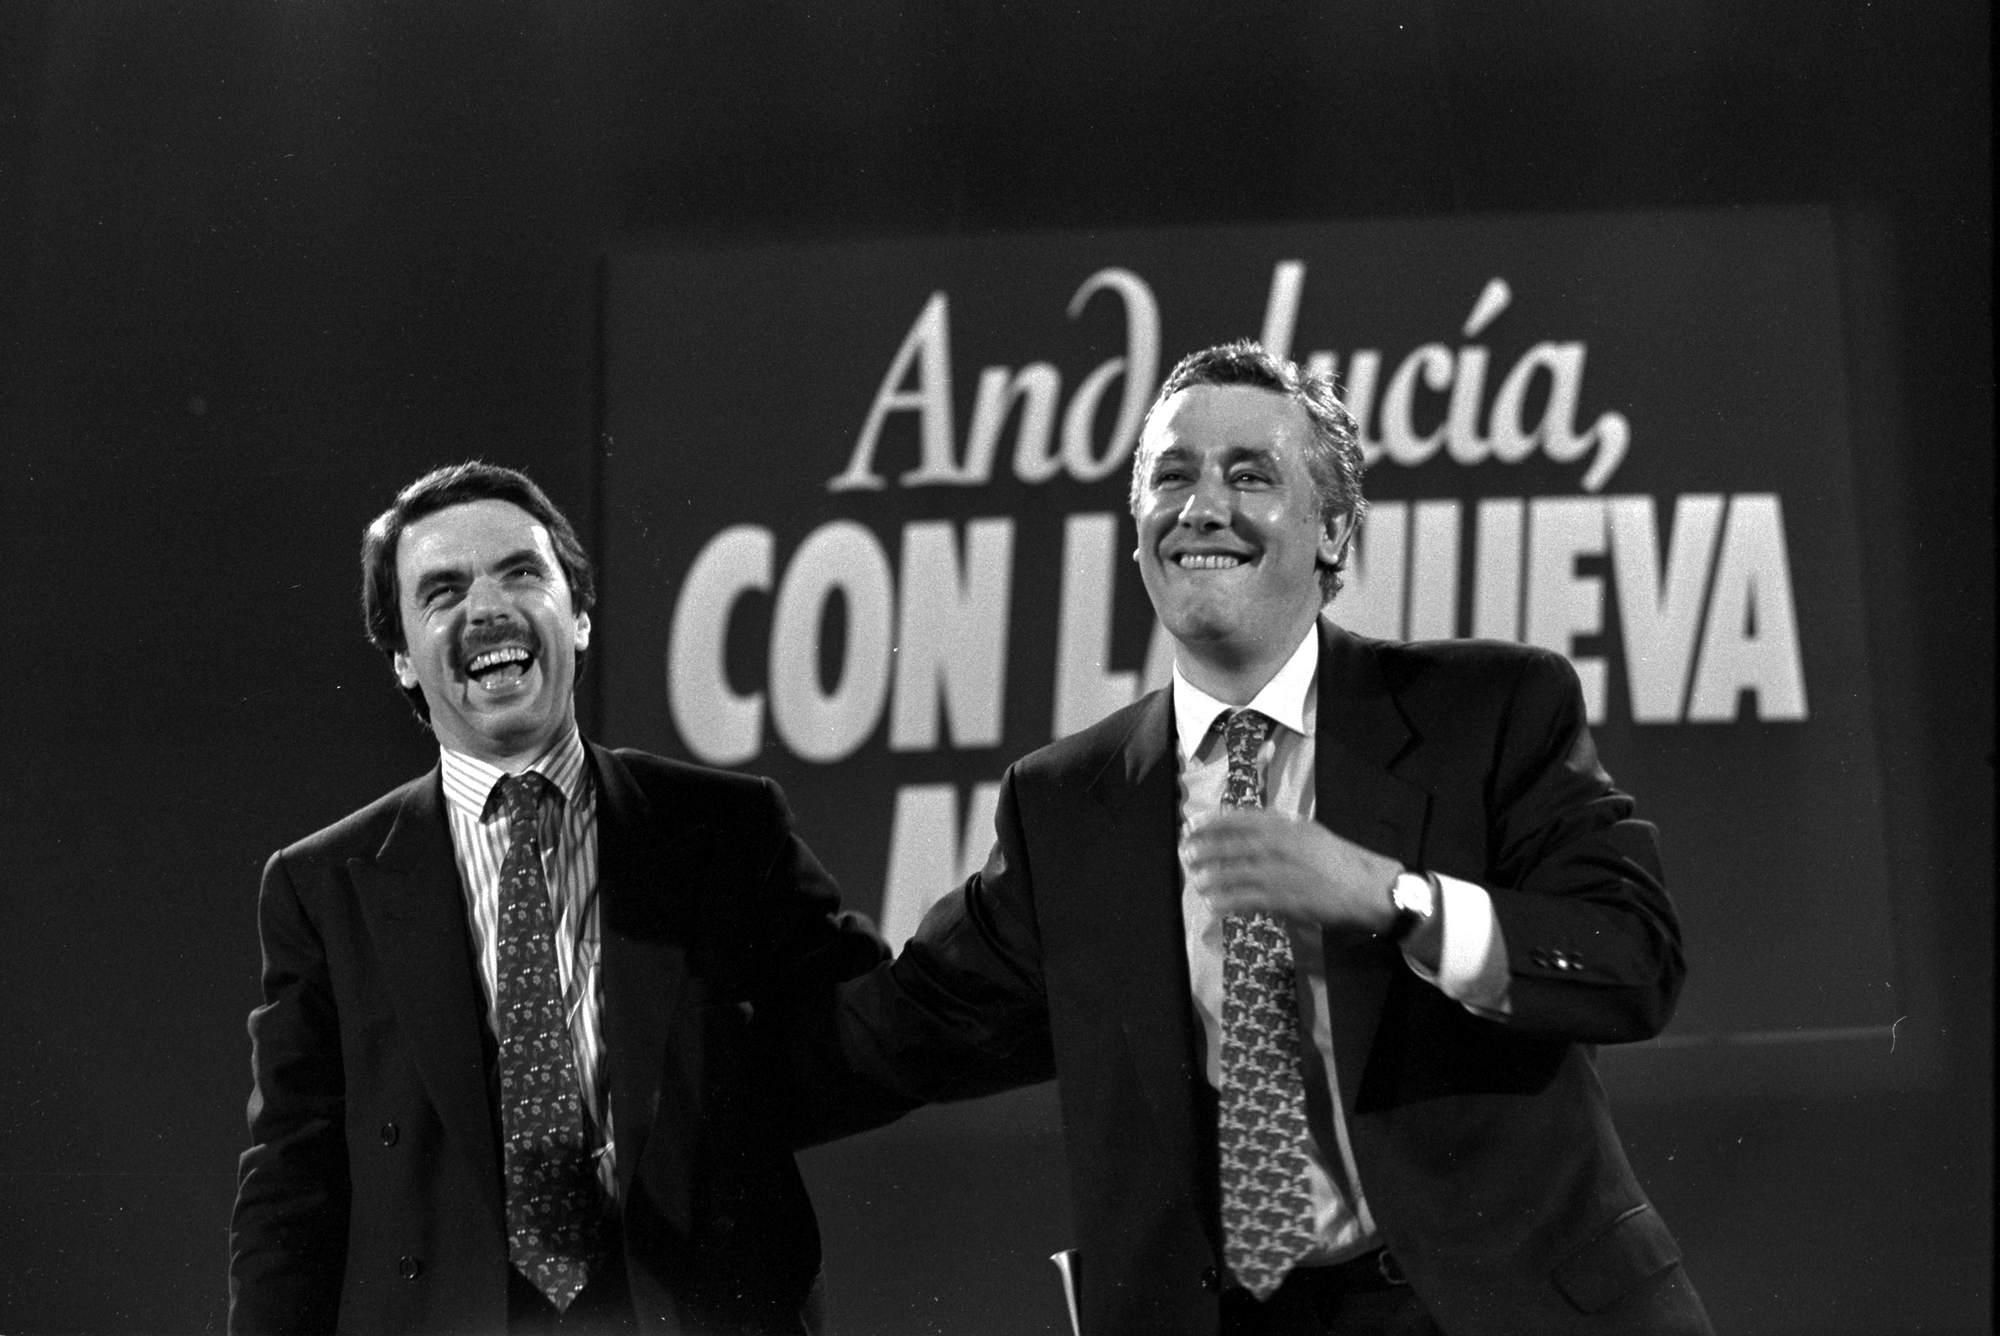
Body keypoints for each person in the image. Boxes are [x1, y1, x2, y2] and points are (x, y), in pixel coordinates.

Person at [828, 341, 1716, 1335]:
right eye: (1172, 476)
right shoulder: (1065, 803)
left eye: (1250, 475)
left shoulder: (1490, 708)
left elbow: (1631, 958)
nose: (1202, 507)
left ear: (1332, 528)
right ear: (1136, 532)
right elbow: (893, 1035)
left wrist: (1396, 898)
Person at [228, 462, 891, 1336]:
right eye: (443, 591)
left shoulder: (723, 829)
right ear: (401, 660)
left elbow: (872, 1029)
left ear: (578, 616)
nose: (487, 610)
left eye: (520, 573)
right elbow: (290, 1189)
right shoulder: (322, 886)